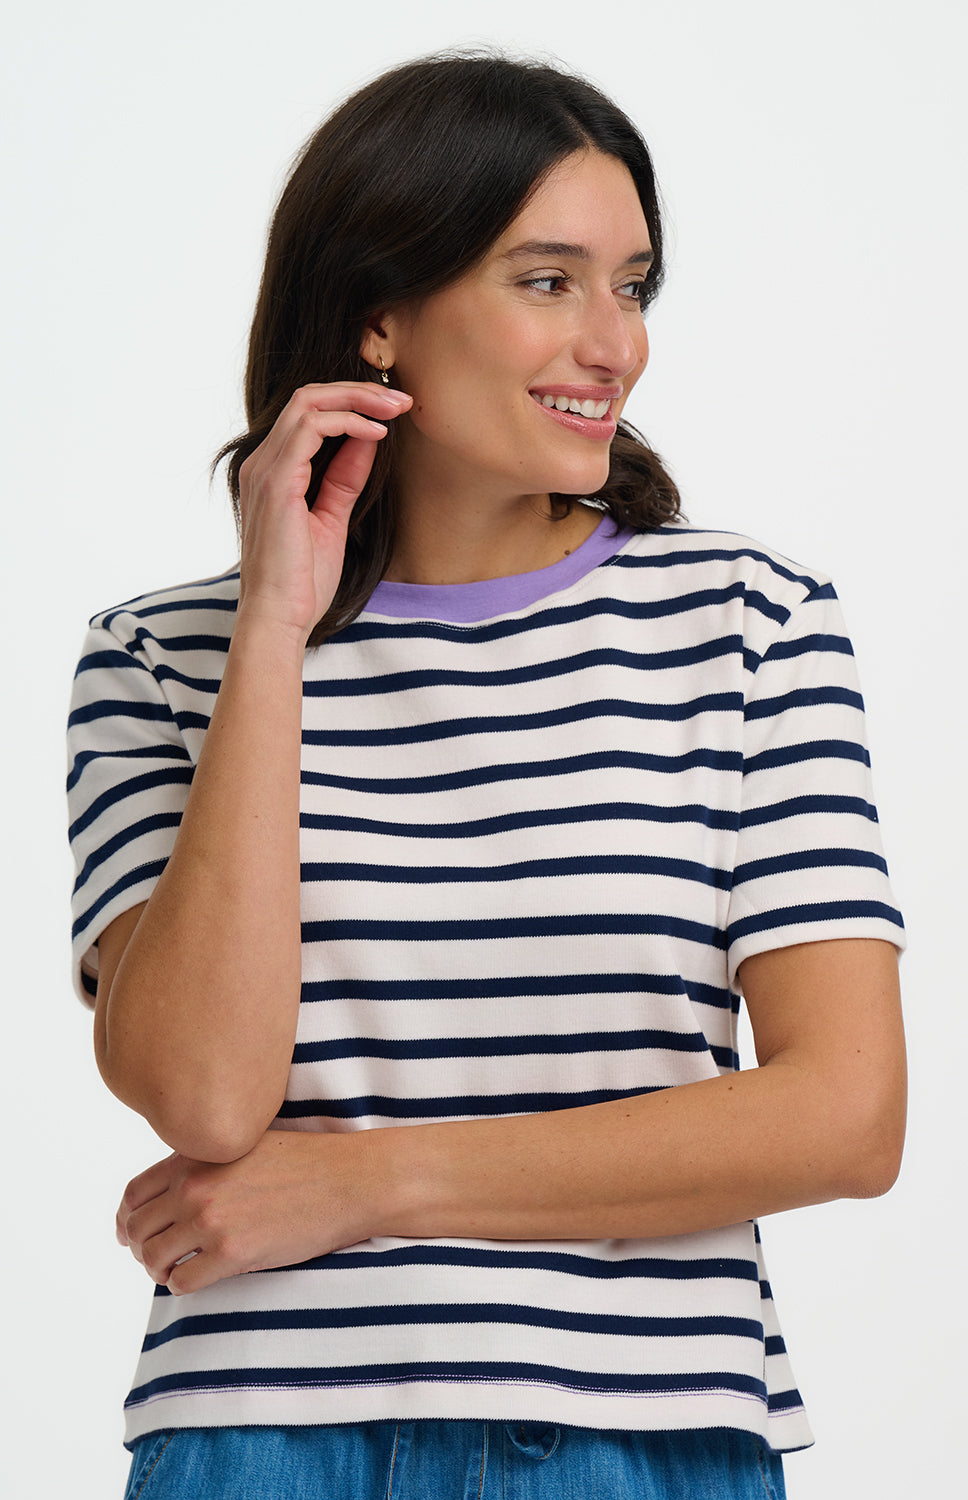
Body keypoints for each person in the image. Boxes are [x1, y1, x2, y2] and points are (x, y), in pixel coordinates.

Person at [66, 53, 907, 1500]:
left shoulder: (748, 626)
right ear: (381, 315)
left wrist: (376, 1180)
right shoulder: (161, 658)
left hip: (637, 1438)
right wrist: (275, 626)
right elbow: (205, 1098)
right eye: (548, 281)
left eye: (632, 285)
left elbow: (845, 1112)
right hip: (257, 1443)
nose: (616, 343)